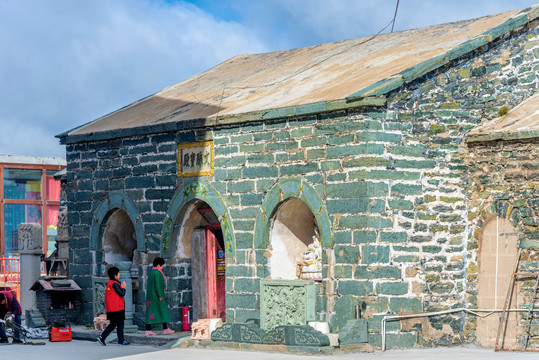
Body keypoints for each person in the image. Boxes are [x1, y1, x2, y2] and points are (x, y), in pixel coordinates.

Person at [97, 267, 130, 346]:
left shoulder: (110, 283)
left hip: (111, 308)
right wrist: (124, 288)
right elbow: (121, 294)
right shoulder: (115, 284)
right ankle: (121, 340)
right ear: (115, 275)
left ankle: (102, 337)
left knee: (113, 324)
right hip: (117, 308)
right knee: (120, 324)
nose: (119, 275)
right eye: (118, 273)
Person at [145, 257, 175, 336]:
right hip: (157, 296)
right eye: (162, 266)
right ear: (158, 265)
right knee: (164, 311)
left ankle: (148, 330)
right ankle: (165, 329)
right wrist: (160, 295)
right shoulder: (157, 273)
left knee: (150, 312)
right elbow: (158, 285)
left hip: (151, 296)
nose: (162, 267)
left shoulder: (152, 272)